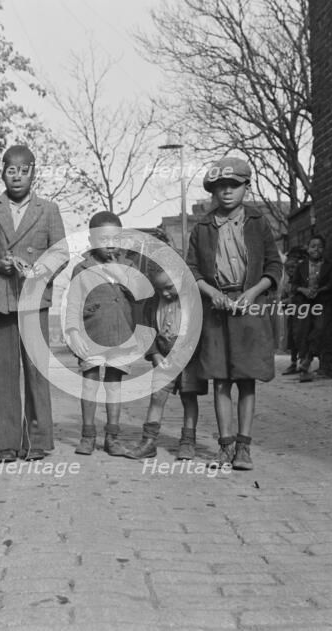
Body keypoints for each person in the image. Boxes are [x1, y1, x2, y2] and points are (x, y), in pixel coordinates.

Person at [0, 145, 67, 463]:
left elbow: (61, 253)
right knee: (1, 373)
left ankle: (37, 441)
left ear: (33, 173)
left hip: (34, 299)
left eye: (24, 169)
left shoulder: (48, 210)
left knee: (36, 371)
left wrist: (38, 270)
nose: (17, 176)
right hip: (1, 297)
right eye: (11, 169)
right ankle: (4, 443)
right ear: (2, 172)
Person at [187, 157, 282, 471]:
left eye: (234, 185)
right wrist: (212, 293)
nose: (226, 192)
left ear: (247, 187)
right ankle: (225, 446)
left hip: (250, 307)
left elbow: (273, 265)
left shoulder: (257, 222)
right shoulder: (201, 227)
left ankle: (244, 447)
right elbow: (191, 269)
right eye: (219, 187)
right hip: (216, 310)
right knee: (221, 380)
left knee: (246, 379)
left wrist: (253, 292)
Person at [65, 212, 145, 457]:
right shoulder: (82, 267)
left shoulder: (130, 266)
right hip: (91, 336)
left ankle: (112, 437)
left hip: (120, 335)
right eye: (103, 238)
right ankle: (88, 435)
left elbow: (140, 294)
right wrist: (73, 333)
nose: (109, 243)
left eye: (114, 238)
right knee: (89, 385)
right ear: (91, 240)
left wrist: (120, 273)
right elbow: (73, 304)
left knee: (113, 386)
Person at [126, 268, 207, 461]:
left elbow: (200, 330)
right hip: (163, 356)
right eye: (160, 289)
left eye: (169, 287)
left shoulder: (194, 301)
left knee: (189, 398)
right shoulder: (153, 302)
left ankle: (188, 442)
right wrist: (153, 353)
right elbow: (145, 328)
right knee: (157, 397)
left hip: (189, 359)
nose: (165, 293)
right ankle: (149, 442)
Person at [292, 235, 332, 382]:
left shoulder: (329, 266)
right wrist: (304, 290)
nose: (316, 249)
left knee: (319, 329)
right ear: (308, 249)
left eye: (320, 246)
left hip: (321, 302)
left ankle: (309, 359)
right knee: (301, 332)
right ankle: (304, 367)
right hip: (303, 302)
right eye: (313, 246)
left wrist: (320, 290)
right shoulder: (301, 266)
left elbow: (331, 283)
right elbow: (294, 285)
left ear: (324, 249)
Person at [280, 246, 308, 375]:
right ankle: (293, 362)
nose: (290, 271)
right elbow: (282, 300)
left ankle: (303, 362)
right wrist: (286, 301)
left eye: (293, 268)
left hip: (302, 314)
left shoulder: (301, 282)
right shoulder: (287, 284)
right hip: (292, 314)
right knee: (291, 338)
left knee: (301, 337)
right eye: (288, 269)